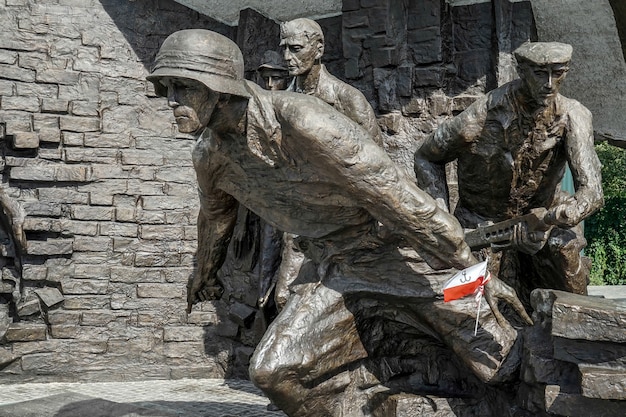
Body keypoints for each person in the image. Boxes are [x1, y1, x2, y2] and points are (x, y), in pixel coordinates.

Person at [148, 29, 531, 417]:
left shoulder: (302, 119)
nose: (170, 100)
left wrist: (474, 274)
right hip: (334, 269)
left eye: (181, 86)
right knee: (274, 372)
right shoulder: (210, 156)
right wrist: (205, 274)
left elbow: (400, 198)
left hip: (408, 257)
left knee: (500, 361)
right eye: (165, 88)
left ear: (219, 87)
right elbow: (215, 218)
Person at [414, 41, 604, 308]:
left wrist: (568, 213)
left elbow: (592, 191)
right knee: (464, 308)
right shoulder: (481, 115)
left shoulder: (575, 116)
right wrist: (443, 221)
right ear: (521, 71)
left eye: (558, 73)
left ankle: (575, 333)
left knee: (565, 253)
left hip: (540, 221)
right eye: (540, 73)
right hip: (480, 225)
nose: (549, 83)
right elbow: (426, 156)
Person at [280, 18, 384, 146]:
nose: (287, 57)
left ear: (319, 50)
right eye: (284, 48)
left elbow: (376, 156)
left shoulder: (349, 98)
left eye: (295, 48)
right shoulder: (284, 99)